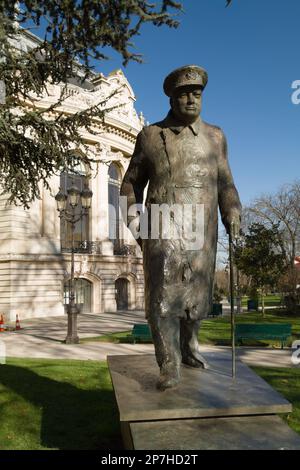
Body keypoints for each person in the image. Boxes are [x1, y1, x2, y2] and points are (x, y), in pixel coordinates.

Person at [120, 65, 241, 390]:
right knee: (162, 298)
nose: (190, 99)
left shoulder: (216, 136)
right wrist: (138, 226)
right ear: (171, 98)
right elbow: (129, 185)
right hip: (161, 225)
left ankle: (189, 349)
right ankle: (169, 363)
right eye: (183, 94)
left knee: (197, 294)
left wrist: (233, 210)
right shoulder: (150, 135)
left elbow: (226, 183)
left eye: (196, 93)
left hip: (202, 227)